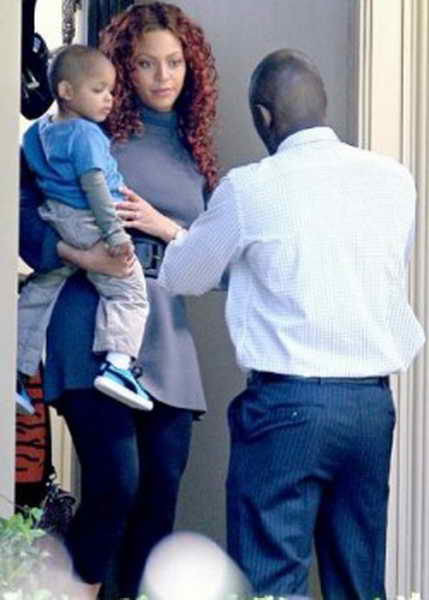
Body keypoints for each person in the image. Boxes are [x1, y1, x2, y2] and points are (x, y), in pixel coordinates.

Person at [131, 49, 425, 599]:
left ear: (264, 117)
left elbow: (187, 275)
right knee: (360, 584)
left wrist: (173, 233)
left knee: (270, 584)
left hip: (287, 408)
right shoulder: (393, 180)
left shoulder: (250, 188)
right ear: (323, 105)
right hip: (369, 407)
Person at [19, 3, 218, 599]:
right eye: (147, 63)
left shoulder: (194, 148)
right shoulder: (86, 128)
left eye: (175, 62)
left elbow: (216, 260)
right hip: (89, 320)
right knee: (115, 486)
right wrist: (79, 256)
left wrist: (164, 226)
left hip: (167, 330)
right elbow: (23, 217)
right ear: (122, 67)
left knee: (159, 495)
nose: (163, 76)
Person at [19, 44, 152, 411]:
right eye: (98, 90)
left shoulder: (35, 134)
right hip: (90, 221)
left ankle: (13, 369)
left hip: (57, 218)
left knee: (41, 289)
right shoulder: (86, 134)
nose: (109, 99)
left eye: (110, 90)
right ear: (66, 91)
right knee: (128, 291)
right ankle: (118, 366)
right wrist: (115, 235)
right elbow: (95, 186)